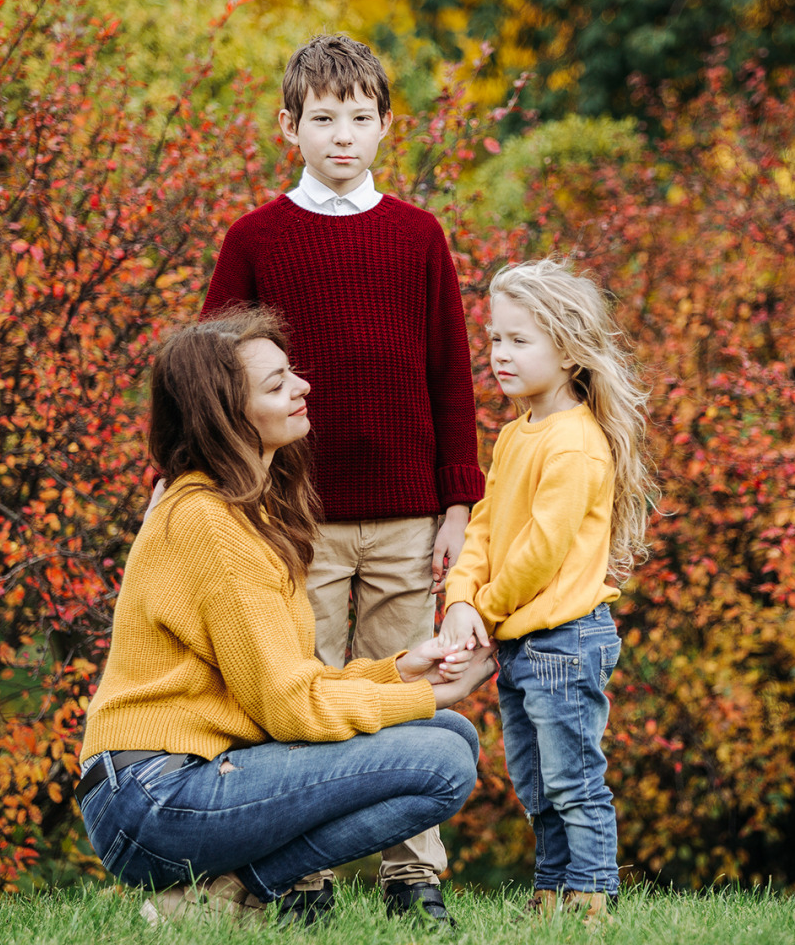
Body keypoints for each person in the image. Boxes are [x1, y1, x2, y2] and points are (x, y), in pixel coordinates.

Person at [77, 310, 495, 929]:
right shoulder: (209, 524)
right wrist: (425, 695)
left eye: (290, 372)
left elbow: (292, 684)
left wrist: (401, 670)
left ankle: (216, 899)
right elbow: (290, 711)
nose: (302, 386)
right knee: (441, 757)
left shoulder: (247, 513)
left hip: (182, 779)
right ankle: (225, 894)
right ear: (226, 417)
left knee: (454, 739)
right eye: (276, 385)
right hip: (150, 797)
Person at [198, 33, 484, 925]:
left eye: (360, 119)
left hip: (405, 513)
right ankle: (302, 878)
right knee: (303, 684)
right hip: (295, 515)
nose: (343, 137)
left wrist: (458, 501)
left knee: (410, 685)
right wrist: (230, 490)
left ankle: (415, 876)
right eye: (323, 119)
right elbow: (214, 371)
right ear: (290, 126)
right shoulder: (255, 239)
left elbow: (451, 372)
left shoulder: (417, 236)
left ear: (385, 126)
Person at [438, 259, 658, 923]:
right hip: (518, 636)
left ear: (568, 353)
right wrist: (459, 599)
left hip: (564, 639)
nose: (499, 354)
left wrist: (486, 608)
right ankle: (551, 890)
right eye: (495, 339)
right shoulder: (514, 436)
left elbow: (541, 551)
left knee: (572, 778)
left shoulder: (575, 444)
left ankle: (590, 900)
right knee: (535, 782)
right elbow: (481, 528)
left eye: (519, 341)